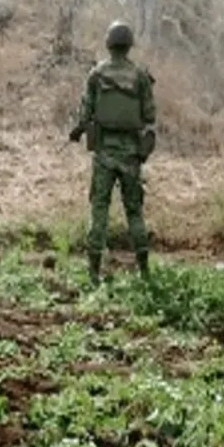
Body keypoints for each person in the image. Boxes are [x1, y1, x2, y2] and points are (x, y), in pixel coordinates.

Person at [69, 20, 156, 285]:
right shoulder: (140, 76)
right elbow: (150, 115)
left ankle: (94, 274)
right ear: (129, 45)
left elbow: (85, 114)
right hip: (131, 154)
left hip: (104, 153)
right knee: (134, 212)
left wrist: (77, 131)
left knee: (99, 210)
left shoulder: (96, 74)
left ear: (109, 44)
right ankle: (144, 272)